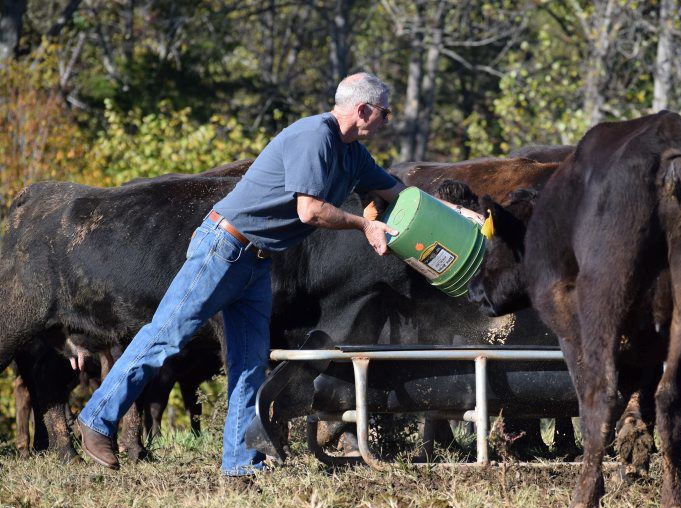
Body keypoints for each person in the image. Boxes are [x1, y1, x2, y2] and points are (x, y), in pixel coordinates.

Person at [76, 72, 483, 477]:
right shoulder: (314, 137)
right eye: (386, 113)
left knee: (250, 363)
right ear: (363, 110)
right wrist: (365, 225)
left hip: (256, 262)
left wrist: (459, 217)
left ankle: (239, 465)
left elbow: (396, 191)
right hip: (222, 249)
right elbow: (310, 210)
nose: (388, 121)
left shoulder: (353, 153)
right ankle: (96, 420)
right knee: (167, 335)